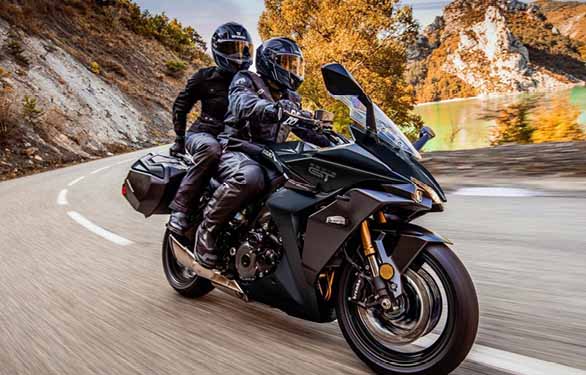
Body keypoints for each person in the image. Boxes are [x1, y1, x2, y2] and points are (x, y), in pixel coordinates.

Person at [194, 37, 330, 268]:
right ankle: (207, 230)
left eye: (294, 64)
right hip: (237, 148)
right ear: (269, 63)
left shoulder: (290, 97)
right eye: (286, 63)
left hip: (270, 154)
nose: (292, 70)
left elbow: (302, 127)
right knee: (250, 177)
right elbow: (242, 104)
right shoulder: (245, 80)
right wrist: (273, 110)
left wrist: (332, 138)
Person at [167, 22, 254, 237]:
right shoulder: (204, 77)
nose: (238, 54)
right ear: (218, 50)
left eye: (243, 49)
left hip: (233, 139)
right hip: (203, 134)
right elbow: (180, 106)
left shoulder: (250, 82)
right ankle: (180, 209)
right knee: (210, 149)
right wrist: (179, 138)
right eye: (232, 48)